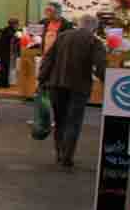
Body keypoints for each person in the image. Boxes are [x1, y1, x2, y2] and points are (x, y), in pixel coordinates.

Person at [37, 13, 107, 169]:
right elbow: (100, 66)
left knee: (60, 120)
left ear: (79, 24)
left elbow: (48, 58)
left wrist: (41, 79)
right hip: (79, 87)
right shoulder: (94, 41)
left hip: (56, 84)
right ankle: (67, 156)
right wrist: (107, 82)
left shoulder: (62, 36)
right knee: (73, 121)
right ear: (94, 28)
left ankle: (59, 153)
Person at [0, 18, 21, 88]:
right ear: (14, 25)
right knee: (4, 68)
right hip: (3, 53)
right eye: (17, 24)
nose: (17, 26)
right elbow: (15, 40)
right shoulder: (11, 32)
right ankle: (3, 83)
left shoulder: (3, 30)